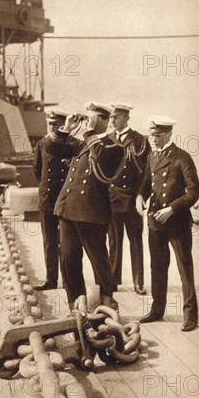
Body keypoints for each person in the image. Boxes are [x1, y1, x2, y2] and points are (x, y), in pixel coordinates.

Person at [52, 102, 125, 310]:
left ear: (105, 120)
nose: (88, 121)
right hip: (67, 209)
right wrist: (66, 128)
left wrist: (90, 132)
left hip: (91, 212)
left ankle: (106, 300)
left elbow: (102, 161)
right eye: (88, 117)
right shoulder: (81, 143)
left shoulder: (114, 146)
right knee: (68, 259)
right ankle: (75, 302)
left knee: (99, 260)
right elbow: (54, 150)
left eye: (92, 117)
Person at [136, 116, 199, 331]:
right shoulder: (152, 157)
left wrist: (172, 208)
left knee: (184, 268)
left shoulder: (182, 158)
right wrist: (139, 197)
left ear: (169, 134)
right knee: (158, 266)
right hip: (155, 222)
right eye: (151, 135)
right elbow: (145, 184)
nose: (153, 140)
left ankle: (190, 314)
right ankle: (157, 309)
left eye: (157, 136)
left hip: (178, 222)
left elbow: (194, 192)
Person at [107, 103, 151, 294]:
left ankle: (138, 282)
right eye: (111, 117)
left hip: (133, 199)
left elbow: (147, 173)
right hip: (113, 198)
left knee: (136, 241)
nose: (112, 121)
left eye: (116, 117)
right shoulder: (107, 139)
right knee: (114, 242)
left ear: (126, 117)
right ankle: (113, 280)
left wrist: (141, 195)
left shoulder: (140, 140)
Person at [33, 108, 75, 290]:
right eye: (50, 124)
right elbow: (37, 169)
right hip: (47, 198)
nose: (52, 127)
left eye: (56, 124)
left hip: (65, 199)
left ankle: (68, 280)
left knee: (67, 243)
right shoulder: (42, 143)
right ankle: (51, 279)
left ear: (63, 125)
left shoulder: (73, 143)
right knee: (49, 241)